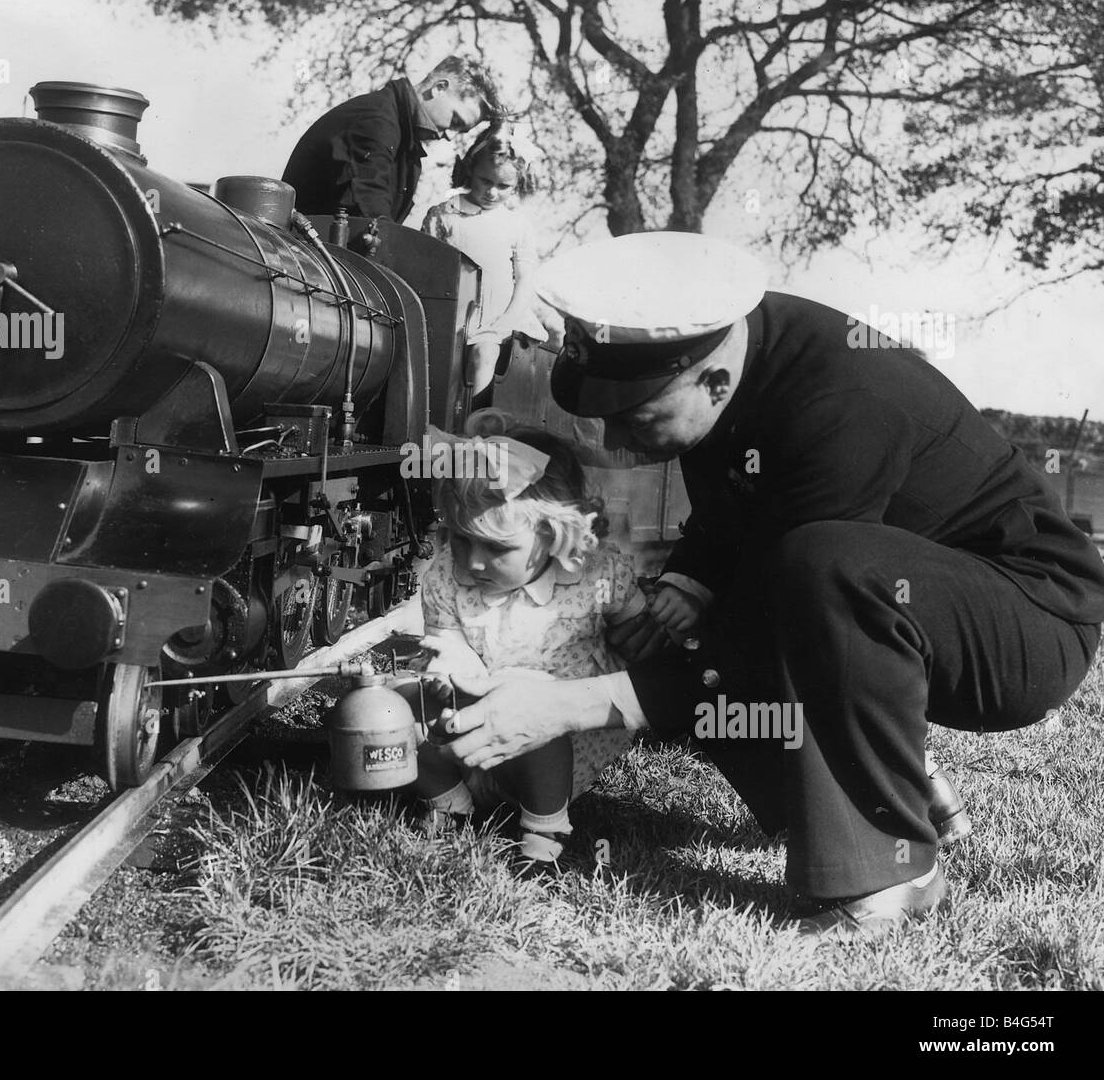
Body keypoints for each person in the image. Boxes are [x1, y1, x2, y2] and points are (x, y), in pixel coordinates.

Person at [432, 231, 1104, 934]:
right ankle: (821, 804)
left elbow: (776, 618)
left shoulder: (841, 398)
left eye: (634, 417)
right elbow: (739, 518)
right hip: (906, 593)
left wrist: (571, 707)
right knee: (687, 622)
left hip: (1029, 621)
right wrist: (684, 588)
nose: (616, 438)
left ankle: (892, 875)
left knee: (820, 569)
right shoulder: (727, 356)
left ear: (714, 383)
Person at [407, 411, 645, 867]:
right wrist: (446, 668)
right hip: (468, 728)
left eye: (495, 549)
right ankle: (450, 803)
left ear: (554, 536)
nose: (472, 563)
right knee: (400, 706)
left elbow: (639, 630)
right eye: (459, 540)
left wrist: (655, 626)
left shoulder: (596, 575)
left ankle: (542, 832)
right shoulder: (444, 576)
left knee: (537, 710)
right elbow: (443, 640)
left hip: (551, 744)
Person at [421, 124, 562, 407]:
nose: (492, 192)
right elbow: (428, 268)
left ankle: (477, 425)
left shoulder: (516, 224)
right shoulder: (446, 215)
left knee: (485, 354)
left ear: (517, 185)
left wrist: (506, 322)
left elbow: (525, 280)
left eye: (504, 186)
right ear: (471, 170)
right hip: (452, 315)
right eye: (486, 180)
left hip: (497, 319)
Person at [281, 56, 501, 225]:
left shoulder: (402, 138)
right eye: (455, 120)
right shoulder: (376, 120)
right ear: (439, 88)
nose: (450, 136)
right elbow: (368, 209)